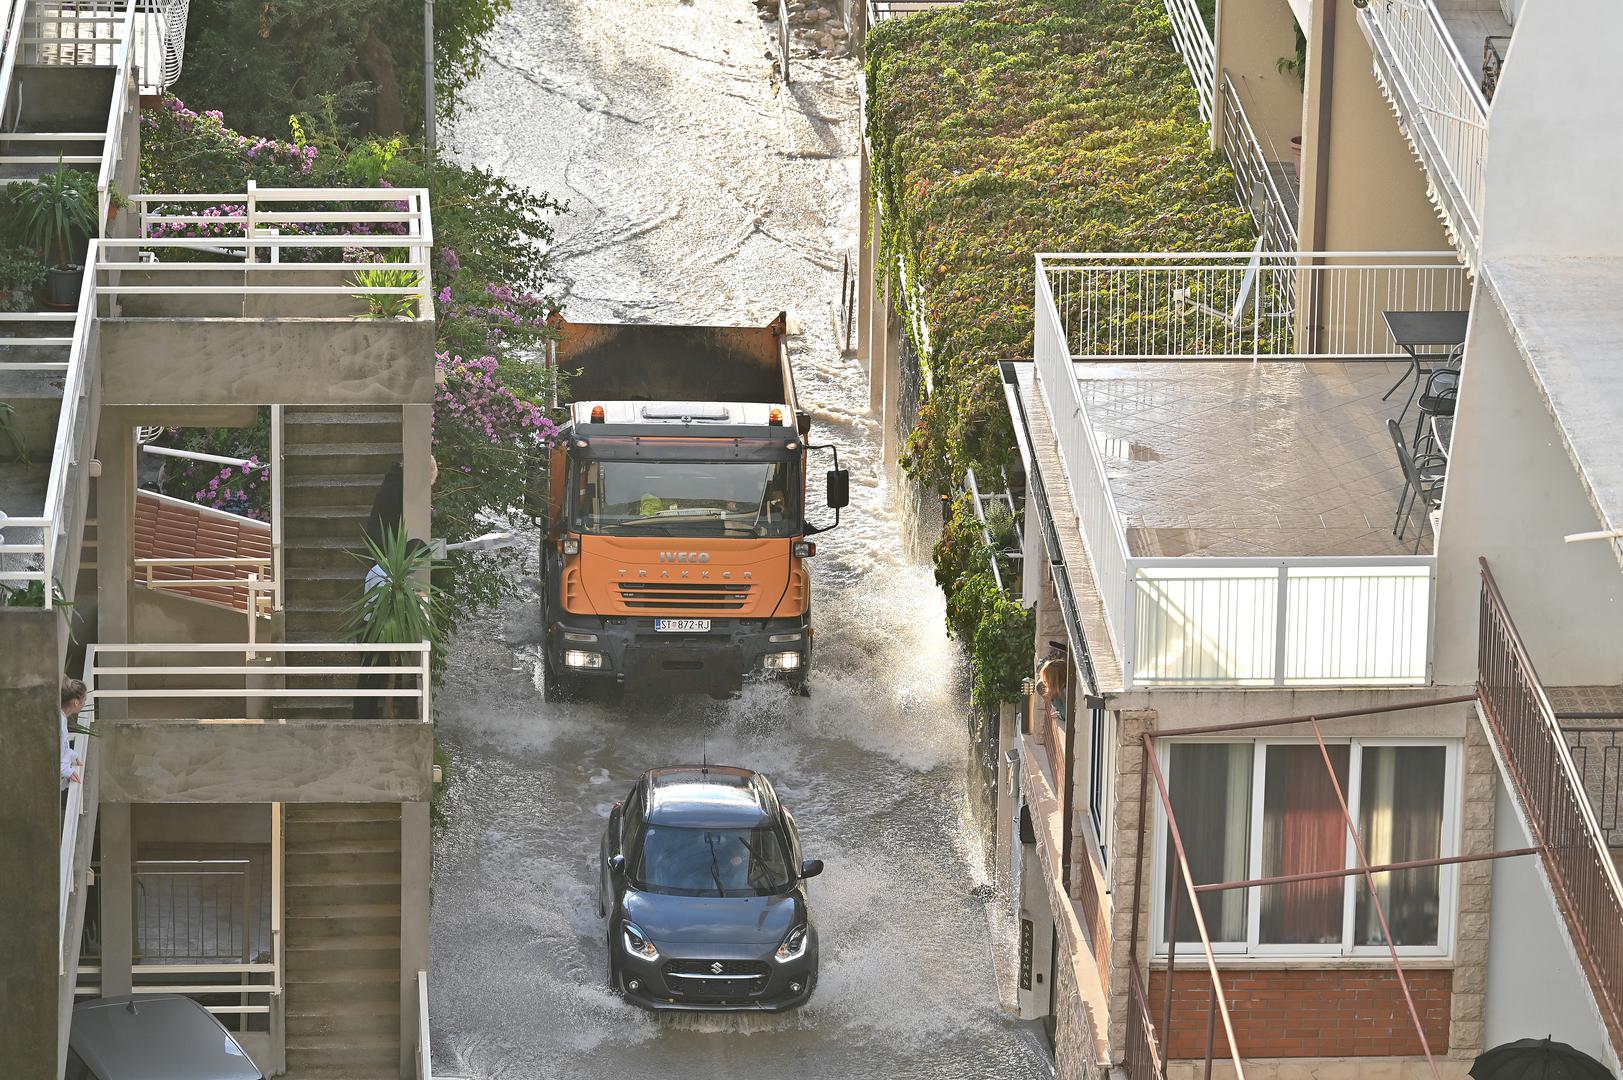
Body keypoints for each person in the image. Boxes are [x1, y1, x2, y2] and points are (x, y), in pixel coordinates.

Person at [61, 677, 86, 809]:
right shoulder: (59, 721)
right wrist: (67, 770)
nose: (84, 704)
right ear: (76, 702)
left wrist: (70, 754)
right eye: (84, 700)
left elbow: (61, 746)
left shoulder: (62, 718)